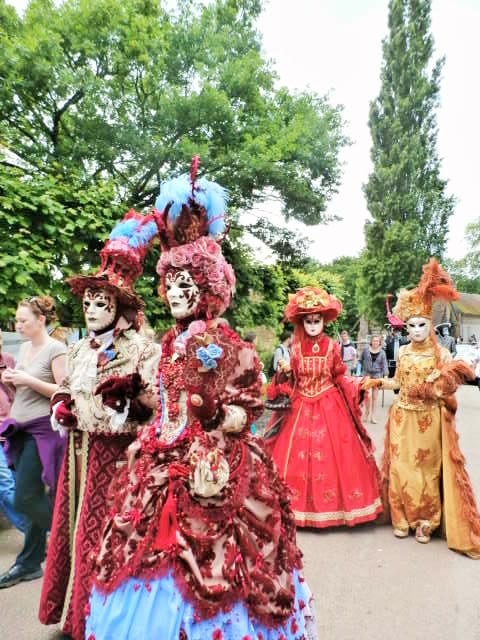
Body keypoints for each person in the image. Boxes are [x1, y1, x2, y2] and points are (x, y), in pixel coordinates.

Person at [84, 161, 317, 639]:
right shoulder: (169, 344)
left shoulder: (231, 344)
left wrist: (216, 416)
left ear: (208, 290)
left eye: (184, 284)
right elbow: (166, 404)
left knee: (225, 559)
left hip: (215, 467)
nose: (173, 293)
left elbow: (247, 410)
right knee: (137, 546)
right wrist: (136, 398)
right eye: (168, 284)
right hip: (160, 459)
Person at [38, 212, 161, 639]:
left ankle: (105, 619)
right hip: (79, 455)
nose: (91, 309)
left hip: (118, 461)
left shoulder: (144, 350)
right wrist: (60, 409)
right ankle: (76, 614)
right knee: (75, 535)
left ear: (120, 309)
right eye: (88, 302)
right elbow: (67, 389)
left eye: (101, 303)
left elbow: (153, 405)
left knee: (111, 538)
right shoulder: (77, 351)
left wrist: (128, 404)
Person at [363, 259, 480, 556]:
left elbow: (451, 384)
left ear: (429, 325)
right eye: (412, 325)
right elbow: (396, 382)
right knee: (401, 468)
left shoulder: (440, 353)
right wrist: (376, 384)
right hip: (402, 416)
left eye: (421, 325)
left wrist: (439, 381)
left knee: (427, 471)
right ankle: (401, 518)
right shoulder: (401, 352)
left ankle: (426, 521)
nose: (416, 330)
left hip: (428, 418)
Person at [265, 286, 382, 529]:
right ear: (302, 322)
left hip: (329, 404)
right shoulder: (295, 349)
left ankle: (336, 510)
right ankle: (295, 510)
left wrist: (359, 383)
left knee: (338, 455)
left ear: (323, 321)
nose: (312, 325)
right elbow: (291, 381)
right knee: (292, 457)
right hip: (300, 405)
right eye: (308, 321)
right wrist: (284, 373)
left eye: (316, 321)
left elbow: (340, 377)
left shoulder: (332, 346)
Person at [0, 296, 67, 588]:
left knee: (24, 497)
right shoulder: (24, 347)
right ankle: (29, 563)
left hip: (43, 431)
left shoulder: (56, 349)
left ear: (41, 320)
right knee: (34, 495)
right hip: (20, 429)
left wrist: (27, 380)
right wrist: (13, 381)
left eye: (23, 320)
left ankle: (68, 535)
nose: (18, 325)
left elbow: (65, 391)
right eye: (17, 320)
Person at [0, 329, 27, 533]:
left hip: (14, 431)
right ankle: (37, 535)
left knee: (23, 488)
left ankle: (37, 535)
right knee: (6, 485)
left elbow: (22, 394)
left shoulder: (8, 360)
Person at [360, 335, 389, 423]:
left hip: (377, 375)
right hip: (367, 374)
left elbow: (384, 364)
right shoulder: (365, 350)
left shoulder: (382, 352)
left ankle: (373, 415)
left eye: (377, 341)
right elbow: (361, 360)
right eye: (374, 340)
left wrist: (386, 375)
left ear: (379, 342)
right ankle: (367, 412)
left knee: (375, 397)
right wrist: (363, 371)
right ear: (371, 341)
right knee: (367, 396)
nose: (375, 342)